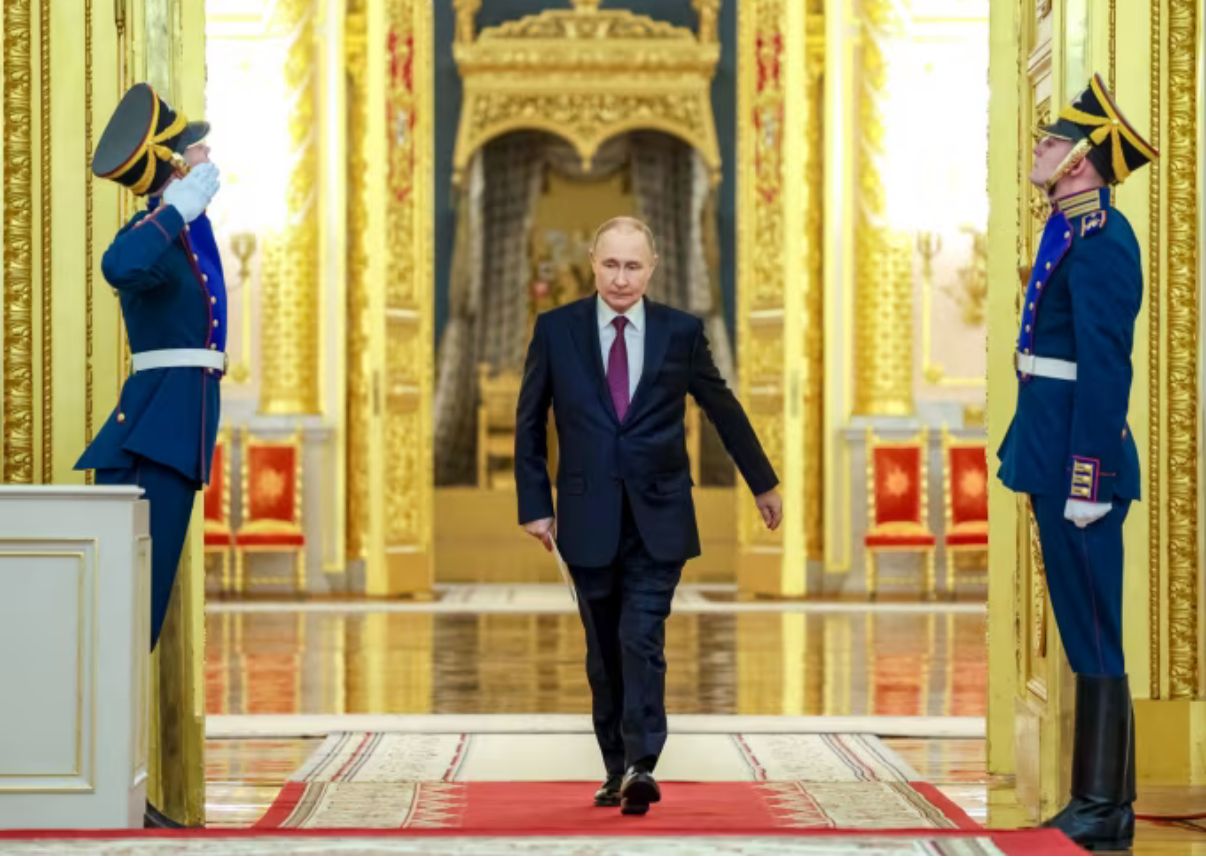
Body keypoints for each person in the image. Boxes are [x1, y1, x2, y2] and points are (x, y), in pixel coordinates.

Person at [514, 216, 783, 815]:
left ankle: (642, 764)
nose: (621, 278)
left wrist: (762, 482)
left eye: (632, 266)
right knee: (604, 650)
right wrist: (535, 506)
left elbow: (722, 407)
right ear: (593, 261)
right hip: (586, 513)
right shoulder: (556, 330)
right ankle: (616, 767)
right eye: (611, 264)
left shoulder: (680, 332)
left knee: (641, 636)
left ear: (652, 268)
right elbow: (529, 422)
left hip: (660, 513)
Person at [997, 72, 1157, 851]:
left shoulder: (1103, 237)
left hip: (1077, 459)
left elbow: (1105, 365)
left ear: (1082, 159)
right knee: (1081, 624)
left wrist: (1089, 473)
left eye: (1053, 141)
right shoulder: (1065, 225)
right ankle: (1101, 801)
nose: (1040, 148)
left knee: (1095, 630)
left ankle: (1103, 804)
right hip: (1049, 446)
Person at [76, 82, 226, 828]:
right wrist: (175, 208)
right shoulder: (160, 228)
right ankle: (110, 791)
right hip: (152, 438)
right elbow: (117, 265)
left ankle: (119, 789)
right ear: (172, 163)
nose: (207, 152)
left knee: (142, 620)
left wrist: (185, 212)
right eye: (194, 146)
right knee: (127, 622)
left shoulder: (191, 231)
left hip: (175, 435)